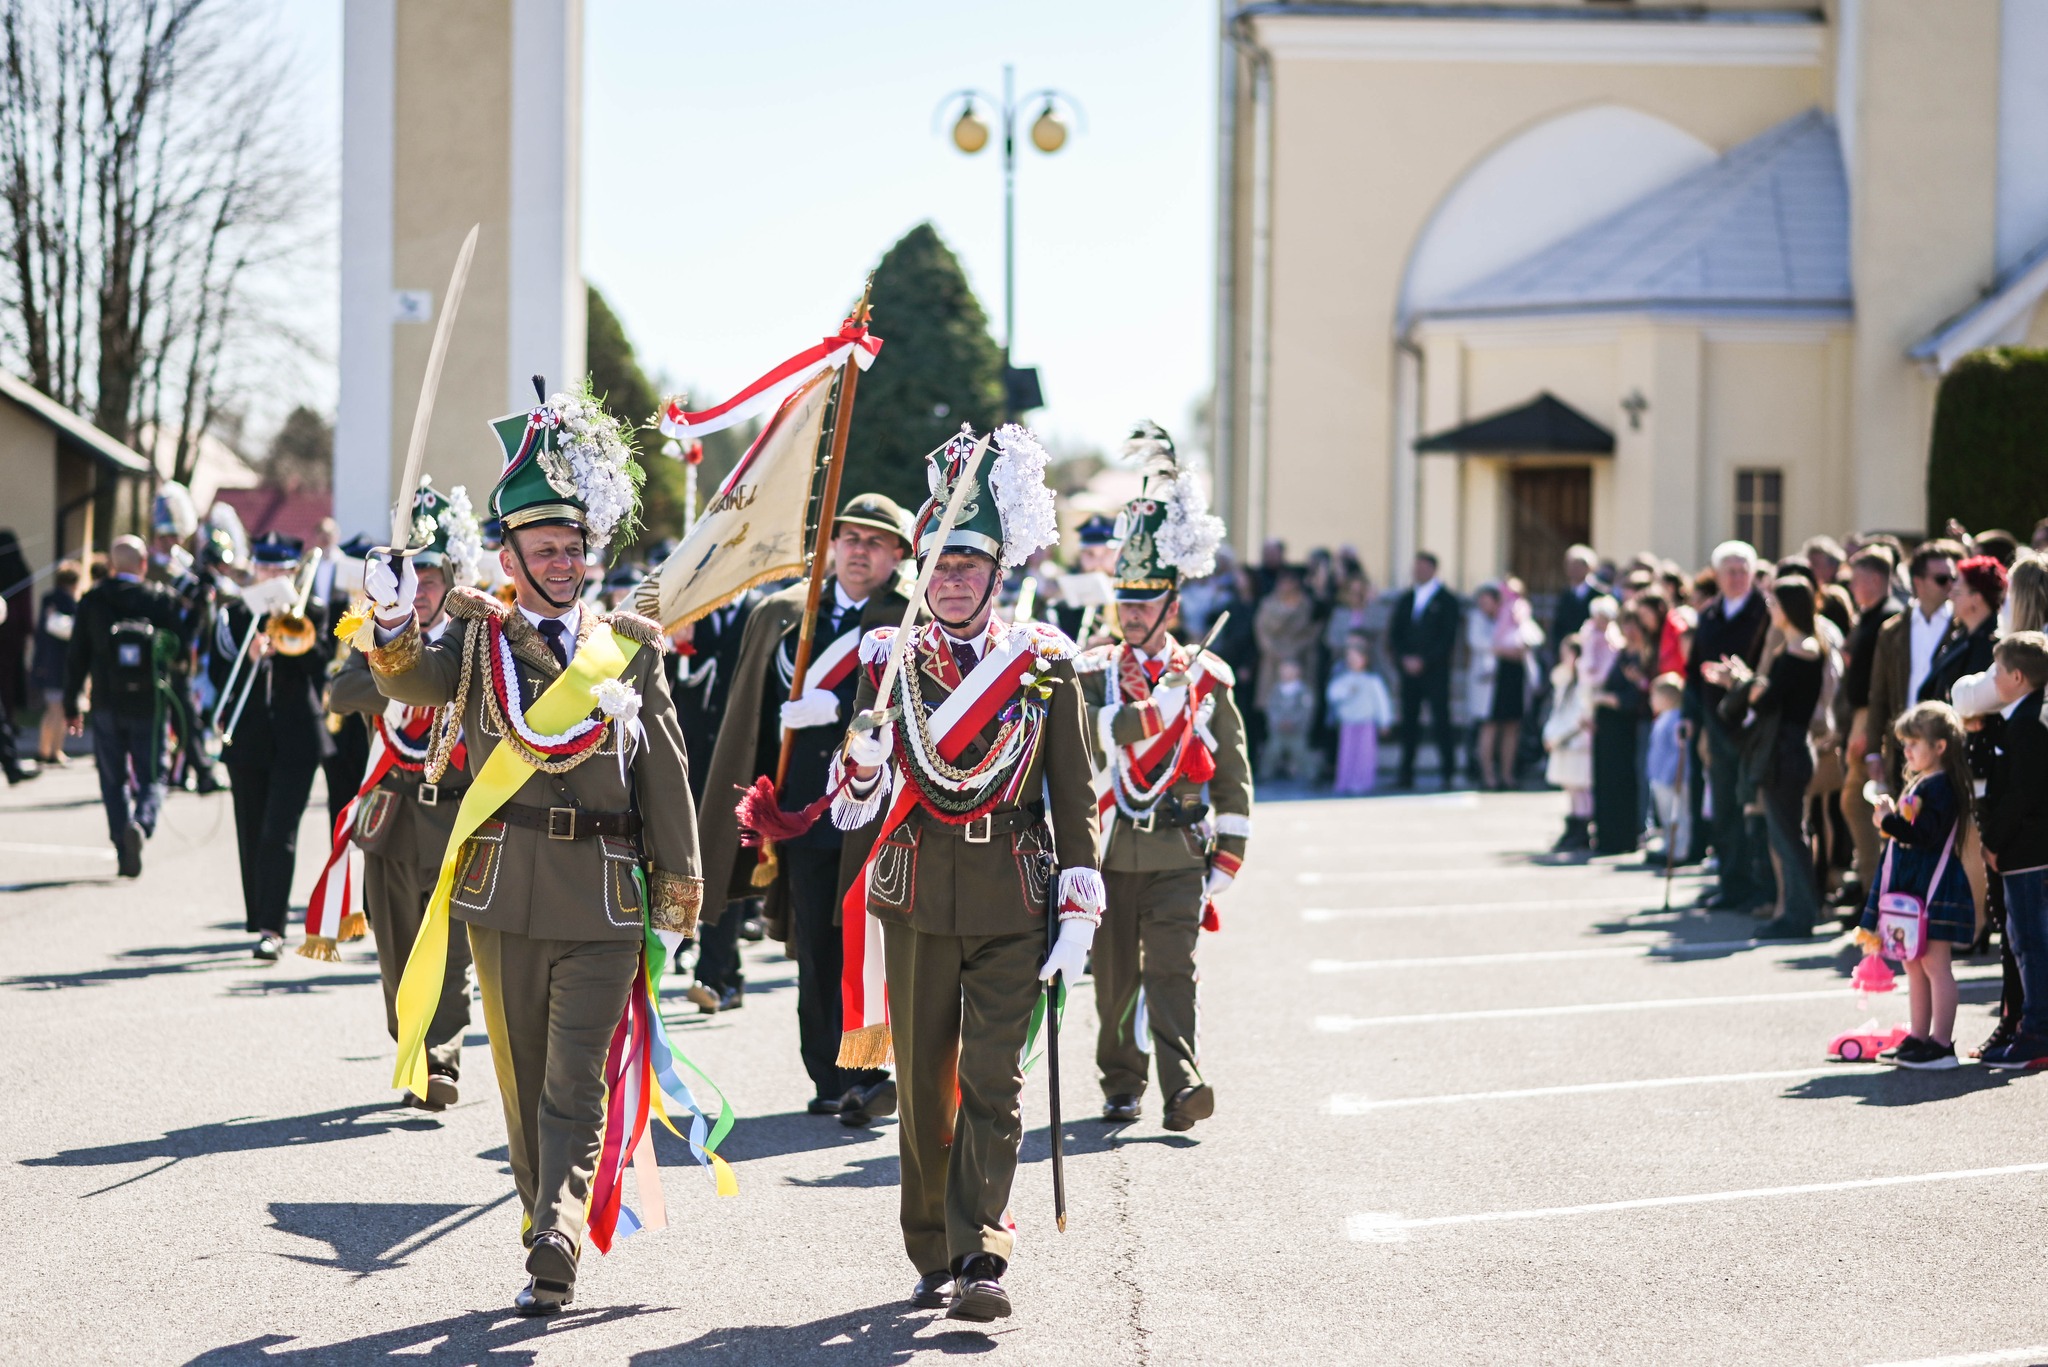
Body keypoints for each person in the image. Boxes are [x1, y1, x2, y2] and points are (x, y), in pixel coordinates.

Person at [363, 381, 701, 1315]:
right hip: (502, 887)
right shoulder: (477, 641)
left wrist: (679, 894)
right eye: (543, 548)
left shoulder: (625, 647)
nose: (562, 562)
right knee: (518, 1078)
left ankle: (554, 1228)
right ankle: (539, 1214)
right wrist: (392, 621)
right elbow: (414, 678)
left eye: (573, 547)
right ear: (508, 557)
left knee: (574, 1075)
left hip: (599, 892)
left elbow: (665, 771)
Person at [831, 424, 1101, 1322]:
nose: (951, 581)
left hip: (1013, 896)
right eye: (939, 565)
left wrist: (1078, 908)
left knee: (993, 1078)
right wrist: (861, 768)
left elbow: (1076, 794)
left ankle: (983, 1246)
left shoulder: (1046, 664)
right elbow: (855, 804)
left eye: (968, 566)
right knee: (923, 1087)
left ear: (998, 574)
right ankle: (932, 1243)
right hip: (912, 897)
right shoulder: (888, 657)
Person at [691, 491, 916, 1124]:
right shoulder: (787, 613)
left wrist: (844, 713)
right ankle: (831, 1076)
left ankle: (874, 1071)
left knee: (872, 944)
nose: (859, 551)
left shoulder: (911, 617)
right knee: (818, 946)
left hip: (882, 815)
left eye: (875, 542)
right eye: (849, 538)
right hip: (807, 813)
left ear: (897, 554)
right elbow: (748, 717)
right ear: (832, 545)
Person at [1075, 423, 1251, 1131]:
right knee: (1115, 978)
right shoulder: (1090, 672)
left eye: (1146, 604)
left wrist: (1231, 854)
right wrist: (1147, 715)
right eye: (1125, 603)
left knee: (1173, 967)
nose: (1133, 615)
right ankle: (1122, 1082)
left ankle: (1184, 1083)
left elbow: (1234, 770)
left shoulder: (1206, 678)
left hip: (1179, 849)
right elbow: (1084, 748)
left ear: (1172, 608)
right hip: (1113, 847)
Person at [319, 479, 483, 1110]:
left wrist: (434, 674)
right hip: (392, 815)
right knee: (396, 948)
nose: (425, 592)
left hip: (458, 817)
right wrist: (407, 674)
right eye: (414, 581)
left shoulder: (473, 641)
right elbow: (341, 695)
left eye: (434, 580)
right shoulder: (372, 636)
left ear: (450, 580)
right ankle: (409, 1047)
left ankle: (441, 1058)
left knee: (451, 948)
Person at [206, 534, 333, 960]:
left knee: (279, 832)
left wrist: (289, 641)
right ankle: (259, 914)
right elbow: (219, 672)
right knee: (251, 829)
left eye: (281, 570)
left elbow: (321, 665)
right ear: (254, 570)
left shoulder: (312, 611)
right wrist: (250, 657)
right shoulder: (234, 615)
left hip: (298, 737)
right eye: (266, 569)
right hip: (248, 737)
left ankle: (271, 929)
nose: (273, 576)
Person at [1858, 702, 1976, 1070]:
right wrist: (1893, 817)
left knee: (1935, 964)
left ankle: (1941, 1044)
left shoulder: (1942, 785)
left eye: (1914, 743)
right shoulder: (1926, 781)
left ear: (1940, 746)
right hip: (1915, 886)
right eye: (1904, 744)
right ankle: (1919, 1037)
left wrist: (1890, 821)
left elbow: (1925, 835)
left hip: (1935, 886)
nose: (1907, 751)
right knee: (1913, 962)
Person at [64, 536, 185, 874]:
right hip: (150, 702)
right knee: (152, 775)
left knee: (112, 777)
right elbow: (181, 649)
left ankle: (122, 842)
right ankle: (142, 825)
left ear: (113, 565)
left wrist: (71, 702)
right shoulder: (160, 600)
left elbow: (76, 656)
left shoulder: (93, 600)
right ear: (144, 563)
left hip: (105, 702)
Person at [1712, 579, 1825, 938]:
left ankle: (1800, 914)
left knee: (1788, 836)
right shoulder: (1794, 647)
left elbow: (1766, 700)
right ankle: (1795, 911)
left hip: (1787, 750)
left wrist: (1749, 685)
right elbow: (1766, 694)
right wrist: (1749, 682)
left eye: (1775, 603)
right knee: (1785, 836)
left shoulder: (1801, 649)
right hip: (1787, 748)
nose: (1770, 610)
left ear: (1790, 607)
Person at [1686, 542, 1772, 913]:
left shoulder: (1766, 613)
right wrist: (1691, 720)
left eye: (1742, 570)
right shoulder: (1708, 616)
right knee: (1723, 807)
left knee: (1752, 806)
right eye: (1729, 571)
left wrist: (1738, 682)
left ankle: (1758, 885)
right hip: (1717, 725)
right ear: (1717, 576)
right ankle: (1731, 882)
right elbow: (1692, 673)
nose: (1736, 577)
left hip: (1754, 727)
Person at [1978, 632, 2048, 1070]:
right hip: (2030, 848)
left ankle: (2038, 1030)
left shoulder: (2026, 723)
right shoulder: (2031, 714)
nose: (1993, 678)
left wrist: (1992, 843)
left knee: (2030, 942)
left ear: (2018, 676)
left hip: (2026, 851)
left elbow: (2021, 794)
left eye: (1998, 671)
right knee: (2033, 941)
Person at [1865, 539, 1963, 790]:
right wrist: (1873, 751)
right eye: (1942, 579)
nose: (1951, 585)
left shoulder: (1961, 627)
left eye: (1953, 577)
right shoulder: (1893, 631)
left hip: (1943, 746)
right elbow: (1879, 695)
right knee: (1902, 823)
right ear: (1918, 582)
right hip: (1903, 745)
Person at [1839, 549, 1901, 909]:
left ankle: (1873, 892)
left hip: (1870, 717)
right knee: (1855, 801)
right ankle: (1869, 887)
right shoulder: (1869, 616)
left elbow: (1882, 683)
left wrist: (1870, 733)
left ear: (1875, 579)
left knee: (1857, 801)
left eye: (1856, 578)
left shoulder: (1887, 617)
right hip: (1862, 715)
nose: (1851, 585)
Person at [1387, 551, 1461, 788]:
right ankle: (1406, 772)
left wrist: (1424, 660)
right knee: (1409, 722)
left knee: (1441, 721)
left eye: (1421, 567)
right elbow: (1395, 634)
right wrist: (1404, 659)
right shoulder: (1406, 599)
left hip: (1436, 671)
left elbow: (1447, 638)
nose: (1417, 571)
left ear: (1432, 569)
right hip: (1408, 673)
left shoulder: (1447, 600)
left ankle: (1447, 772)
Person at [1478, 580, 1541, 791]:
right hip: (1494, 677)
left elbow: (1529, 641)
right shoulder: (1487, 617)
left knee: (1512, 726)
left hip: (1515, 675)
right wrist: (1506, 650)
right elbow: (1489, 644)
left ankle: (1507, 774)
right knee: (1491, 725)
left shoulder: (1521, 615)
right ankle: (1488, 775)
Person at [1920, 555, 2004, 706]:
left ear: (1976, 598)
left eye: (1957, 592)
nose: (1950, 596)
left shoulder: (1993, 646)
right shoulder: (1960, 636)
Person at [1326, 632, 1392, 796]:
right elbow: (1332, 695)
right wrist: (1347, 692)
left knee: (1365, 755)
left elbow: (1382, 702)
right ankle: (1345, 781)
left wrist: (1385, 721)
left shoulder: (1372, 680)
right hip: (1348, 722)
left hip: (1366, 722)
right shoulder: (1342, 679)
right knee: (1347, 754)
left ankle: (1363, 782)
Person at [1544, 638, 1593, 851]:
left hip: (1576, 742)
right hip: (1563, 741)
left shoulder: (1584, 682)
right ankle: (1573, 826)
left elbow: (1580, 715)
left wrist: (1561, 736)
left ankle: (1582, 829)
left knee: (1581, 788)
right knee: (1571, 788)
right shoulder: (1566, 682)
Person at [32, 560, 80, 766]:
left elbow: (40, 633)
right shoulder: (70, 604)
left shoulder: (48, 600)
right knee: (57, 709)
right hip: (62, 664)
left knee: (53, 708)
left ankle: (47, 749)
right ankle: (52, 750)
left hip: (46, 661)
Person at [1044, 513, 1118, 644]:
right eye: (1090, 554)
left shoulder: (1131, 605)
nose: (1097, 563)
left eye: (1106, 553)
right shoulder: (1060, 610)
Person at [1646, 674, 1689, 860]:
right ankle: (1669, 845)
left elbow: (1678, 751)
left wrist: (1673, 773)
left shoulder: (1676, 720)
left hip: (1672, 777)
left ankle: (1680, 849)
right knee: (1665, 815)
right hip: (1659, 776)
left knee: (1678, 815)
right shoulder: (1661, 719)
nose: (1651, 701)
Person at [1260, 657, 1317, 783]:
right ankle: (1264, 776)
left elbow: (1305, 709)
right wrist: (1278, 721)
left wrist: (1293, 722)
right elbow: (1271, 708)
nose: (1286, 673)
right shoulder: (1276, 689)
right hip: (1278, 729)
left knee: (1301, 753)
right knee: (1272, 752)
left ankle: (1312, 777)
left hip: (1296, 730)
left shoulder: (1303, 690)